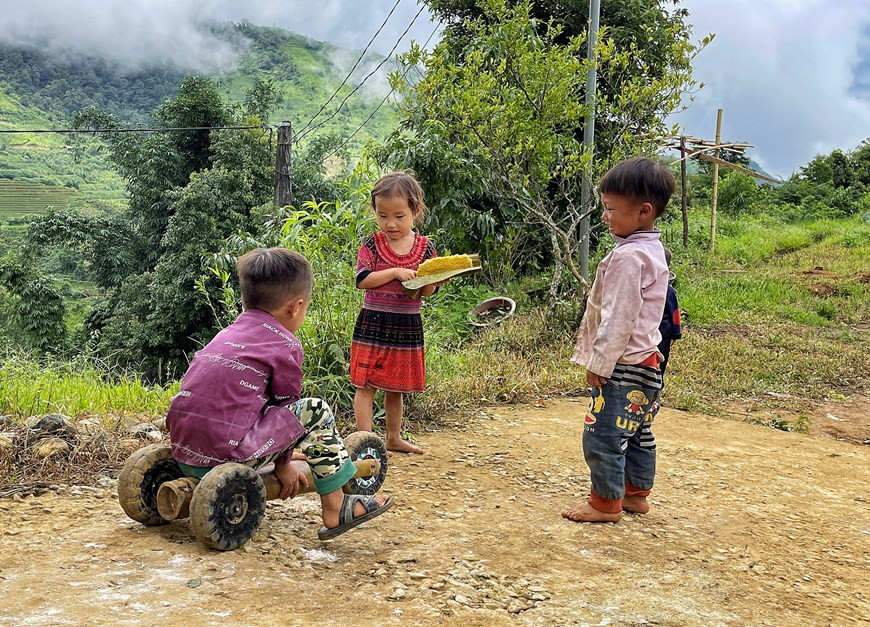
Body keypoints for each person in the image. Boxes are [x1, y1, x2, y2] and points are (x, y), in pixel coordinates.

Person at [167, 247, 392, 540]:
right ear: (296, 307)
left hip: (184, 451)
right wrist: (283, 465)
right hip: (225, 457)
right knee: (315, 410)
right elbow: (288, 408)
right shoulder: (285, 344)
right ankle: (336, 508)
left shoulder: (226, 334)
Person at [562, 157, 676, 524]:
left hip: (623, 365)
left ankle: (605, 503)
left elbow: (619, 316)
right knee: (638, 431)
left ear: (644, 211)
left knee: (603, 434)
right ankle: (635, 494)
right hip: (647, 362)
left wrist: (600, 361)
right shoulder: (654, 251)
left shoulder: (629, 257)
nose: (605, 216)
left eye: (611, 209)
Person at [351, 172, 441, 455]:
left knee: (396, 386)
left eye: (399, 216)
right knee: (365, 384)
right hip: (373, 322)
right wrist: (395, 272)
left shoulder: (426, 248)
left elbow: (428, 292)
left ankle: (393, 438)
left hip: (406, 323)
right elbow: (362, 280)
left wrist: (432, 280)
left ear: (416, 211)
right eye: (383, 216)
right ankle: (365, 441)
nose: (390, 224)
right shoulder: (371, 244)